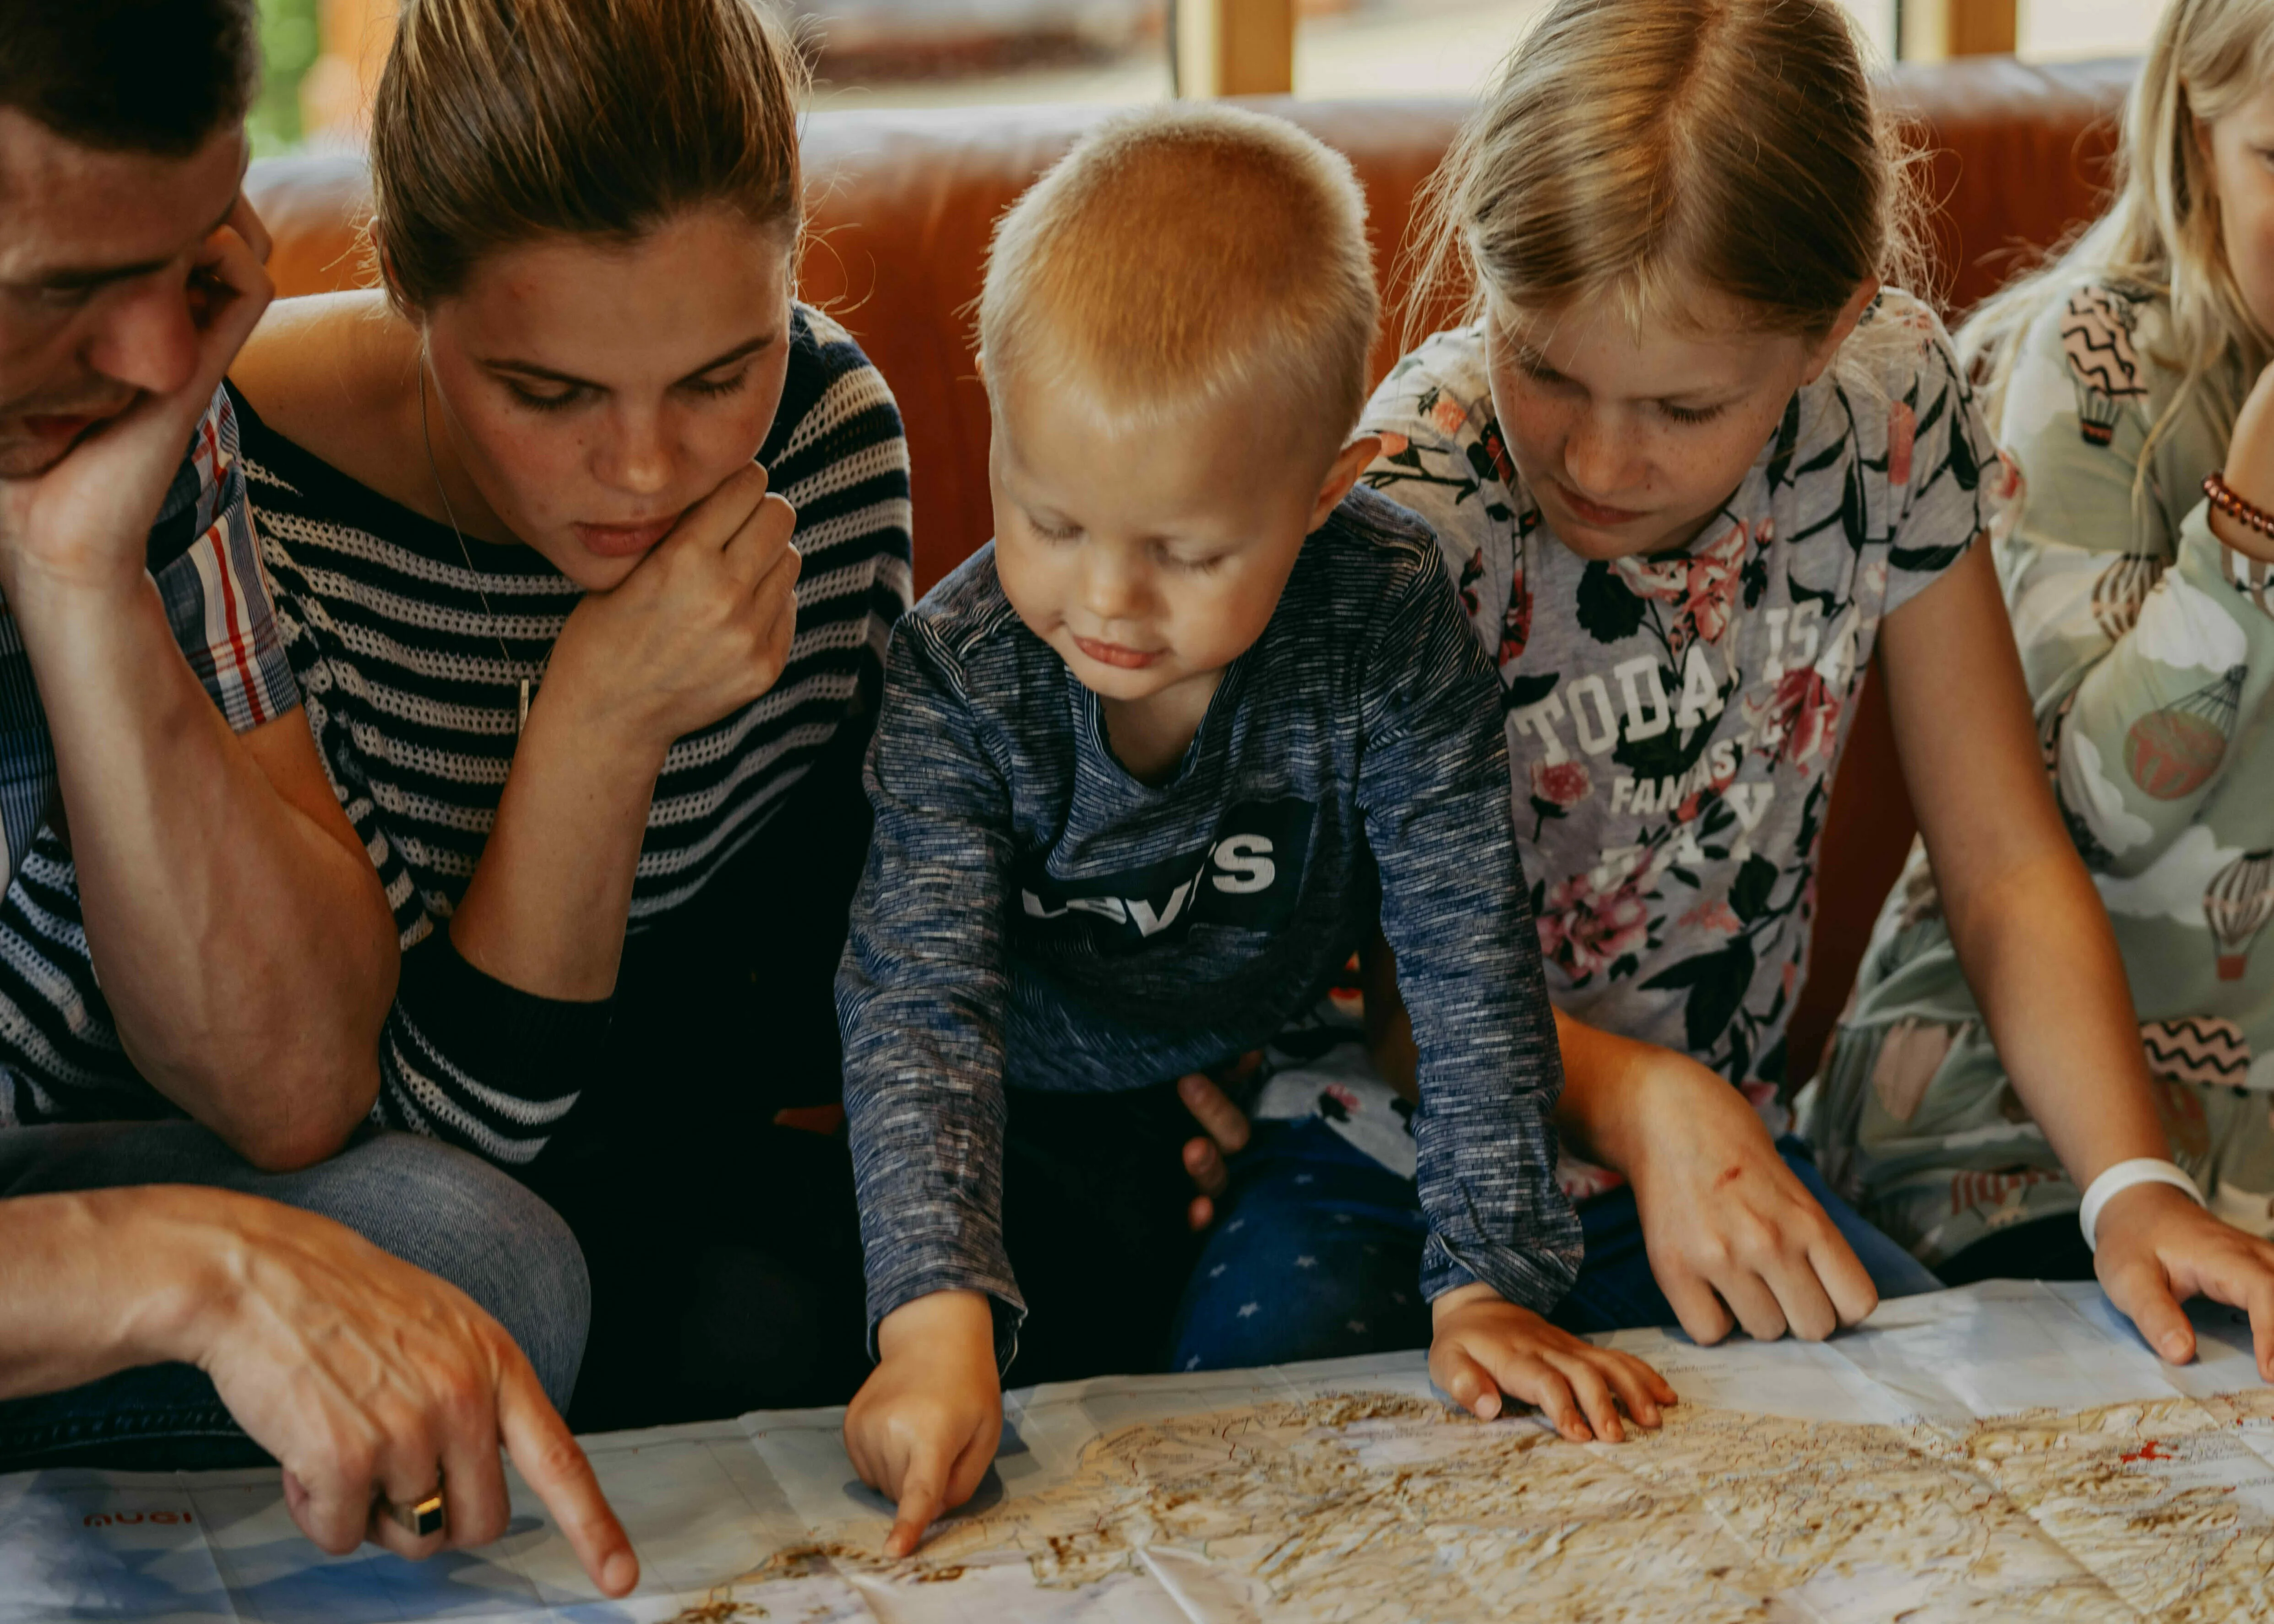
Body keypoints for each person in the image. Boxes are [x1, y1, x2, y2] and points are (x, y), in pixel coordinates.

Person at [1174, 0, 2274, 1380]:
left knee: (1932, 1440)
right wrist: (1649, 1103)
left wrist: (2129, 1188)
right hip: (1380, 1158)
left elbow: (1997, 861)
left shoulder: (1891, 408)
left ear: (1830, 332)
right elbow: (1409, 1000)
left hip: (1725, 1149)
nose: (1595, 458)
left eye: (1683, 411)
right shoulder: (1419, 508)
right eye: (1544, 367)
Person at [836, 104, 1676, 1559]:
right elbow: (920, 1010)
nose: (1105, 600)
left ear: (1323, 493)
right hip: (1028, 1121)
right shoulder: (957, 676)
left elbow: (1467, 959)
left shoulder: (1385, 618)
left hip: (1283, 1078)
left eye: (1187, 552)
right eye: (1048, 520)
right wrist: (931, 1321)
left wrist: (1485, 1280)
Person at [0, 0, 631, 1596]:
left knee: (475, 1268)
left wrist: (81, 576)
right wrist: (177, 1275)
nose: (163, 357)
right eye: (64, 290)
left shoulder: (129, 399)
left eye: (194, 256)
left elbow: (287, 1085)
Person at [225, 0, 913, 1427]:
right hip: (389, 1204)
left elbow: (833, 968)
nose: (647, 470)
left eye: (722, 374)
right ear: (411, 294)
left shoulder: (828, 443)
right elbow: (416, 1180)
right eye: (547, 393)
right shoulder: (234, 513)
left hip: (678, 1176)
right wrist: (598, 729)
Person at [1810, 0, 2274, 1326]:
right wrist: (2243, 536)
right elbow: (2083, 822)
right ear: (2194, 135)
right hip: (2002, 1125)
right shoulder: (2101, 369)